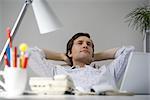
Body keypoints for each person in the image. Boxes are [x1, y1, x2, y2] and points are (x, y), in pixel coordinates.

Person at [28, 32, 134, 93]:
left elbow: (128, 51)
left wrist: (93, 56)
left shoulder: (107, 72)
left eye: (89, 44)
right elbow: (30, 53)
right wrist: (62, 56)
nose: (85, 45)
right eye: (80, 43)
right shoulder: (57, 72)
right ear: (70, 52)